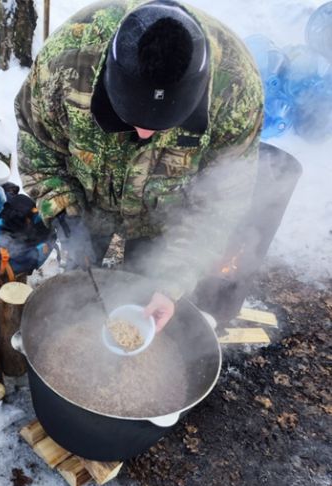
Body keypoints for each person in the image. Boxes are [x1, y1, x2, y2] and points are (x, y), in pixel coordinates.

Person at [14, 0, 264, 330]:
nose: (144, 132)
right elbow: (38, 145)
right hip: (87, 200)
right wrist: (64, 214)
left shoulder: (235, 90)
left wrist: (170, 283)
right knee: (79, 276)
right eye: (128, 118)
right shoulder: (68, 59)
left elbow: (219, 206)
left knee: (146, 294)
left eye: (162, 127)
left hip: (166, 220)